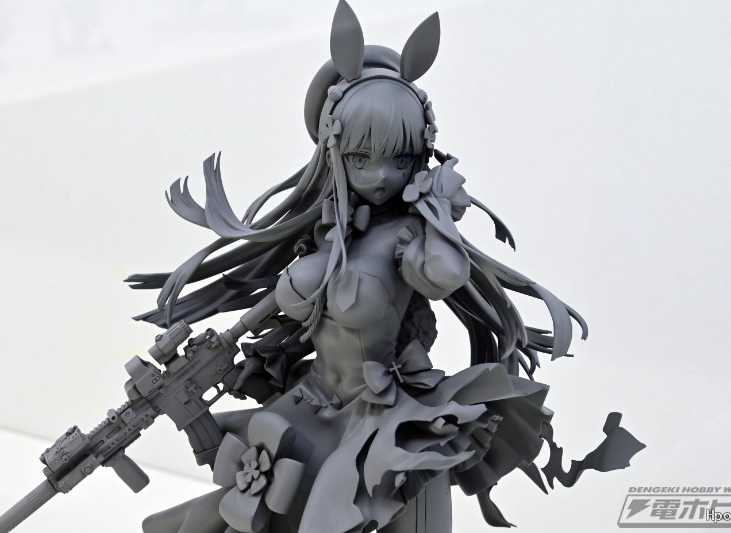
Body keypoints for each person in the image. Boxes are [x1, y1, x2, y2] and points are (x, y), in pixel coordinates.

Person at [127, 3, 644, 532]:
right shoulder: (325, 230)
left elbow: (444, 275)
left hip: (382, 421)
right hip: (310, 405)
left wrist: (438, 211)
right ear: (334, 152)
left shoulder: (408, 235)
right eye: (361, 159)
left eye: (399, 160)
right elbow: (284, 310)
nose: (380, 175)